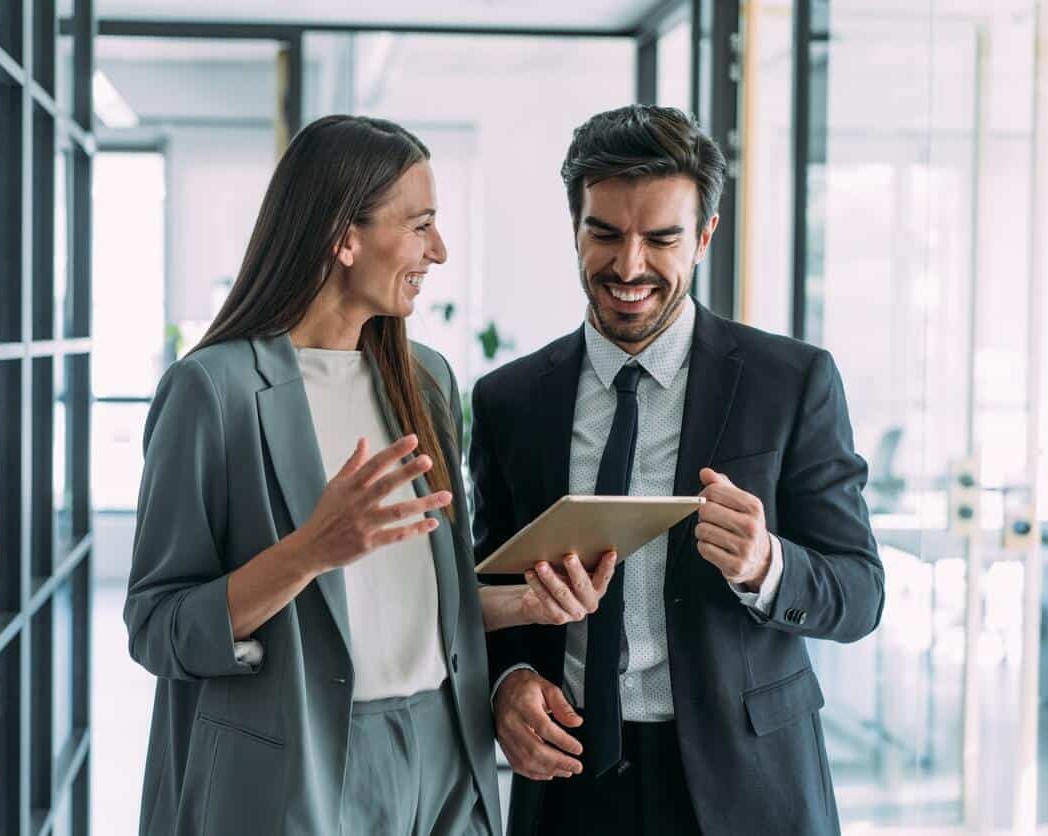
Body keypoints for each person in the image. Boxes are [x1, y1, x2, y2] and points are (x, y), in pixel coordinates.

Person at [124, 114, 616, 836]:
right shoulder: (214, 392)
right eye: (420, 225)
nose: (439, 251)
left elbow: (411, 597)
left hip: (444, 756)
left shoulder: (426, 381)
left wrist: (527, 607)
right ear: (344, 238)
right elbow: (158, 627)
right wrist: (310, 551)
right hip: (299, 767)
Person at [471, 105, 885, 836]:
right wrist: (508, 682)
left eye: (661, 239)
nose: (628, 267)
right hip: (568, 782)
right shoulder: (508, 400)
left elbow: (860, 592)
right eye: (604, 234)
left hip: (748, 785)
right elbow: (488, 586)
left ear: (703, 237)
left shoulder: (790, 382)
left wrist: (768, 565)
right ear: (575, 228)